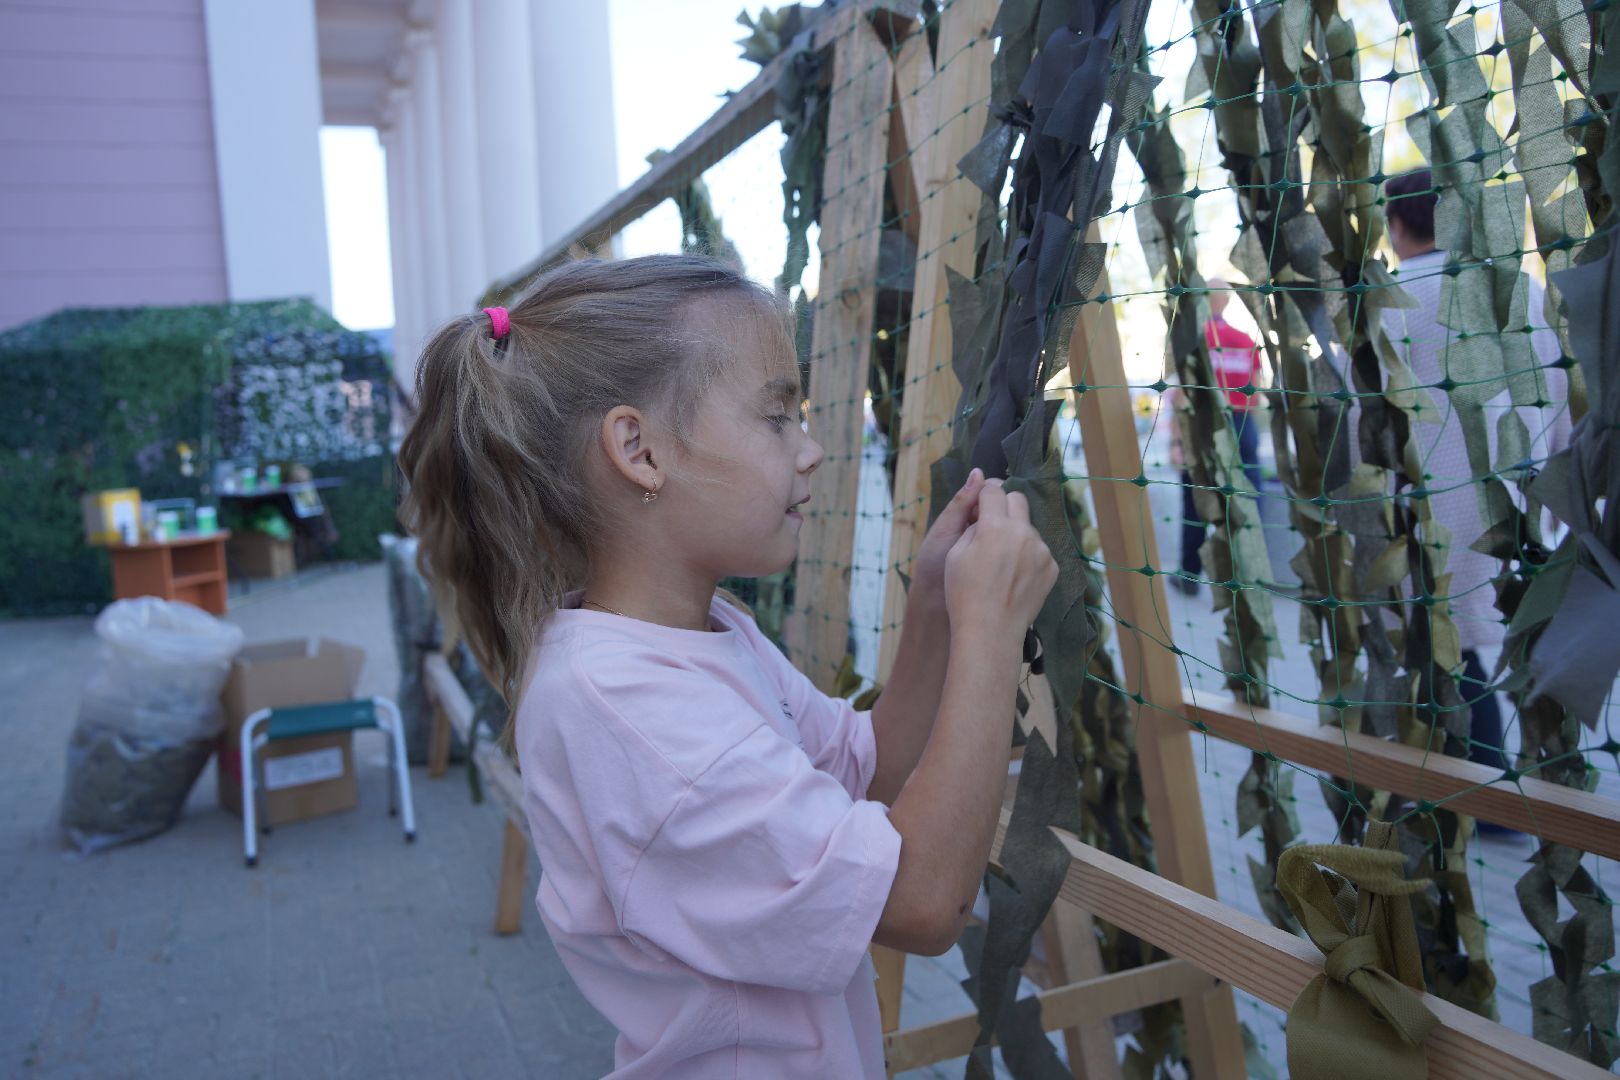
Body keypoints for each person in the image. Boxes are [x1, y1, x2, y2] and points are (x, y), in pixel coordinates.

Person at [397, 255, 1057, 1078]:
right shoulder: (630, 709)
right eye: (777, 417)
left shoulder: (701, 636)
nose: (811, 451)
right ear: (639, 449)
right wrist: (992, 636)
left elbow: (863, 767)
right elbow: (923, 903)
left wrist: (933, 611)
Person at [1380, 169, 1570, 782]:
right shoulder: (1516, 284)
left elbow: (1367, 415)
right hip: (1521, 487)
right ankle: (1547, 775)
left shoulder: (1389, 300)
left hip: (1437, 499)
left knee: (1444, 638)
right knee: (1517, 626)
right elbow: (1558, 385)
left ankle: (1478, 789)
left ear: (1396, 224)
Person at [1171, 279, 1265, 595]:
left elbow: (1182, 394)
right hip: (1241, 423)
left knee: (1195, 502)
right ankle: (1246, 576)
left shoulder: (1193, 339)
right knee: (1245, 499)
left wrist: (1177, 442)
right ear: (1226, 301)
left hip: (1202, 425)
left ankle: (1189, 575)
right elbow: (1256, 393)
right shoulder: (1245, 340)